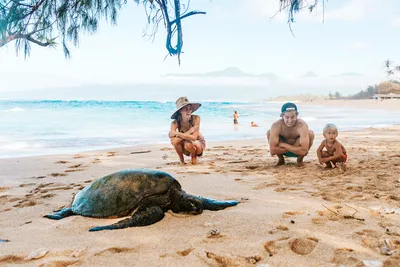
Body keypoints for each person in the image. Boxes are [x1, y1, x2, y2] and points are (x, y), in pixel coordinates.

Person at [266, 102, 315, 166]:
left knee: (310, 133)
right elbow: (272, 151)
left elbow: (304, 151)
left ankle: (300, 160)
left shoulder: (302, 125)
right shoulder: (276, 126)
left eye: (292, 117)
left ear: (297, 115)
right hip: (292, 150)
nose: (290, 120)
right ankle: (281, 159)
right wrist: (294, 149)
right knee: (269, 132)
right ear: (282, 116)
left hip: (288, 149)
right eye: (287, 117)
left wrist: (284, 145)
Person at [169, 97, 206, 165]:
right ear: (180, 111)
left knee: (188, 143)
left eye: (190, 109)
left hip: (198, 144)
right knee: (176, 142)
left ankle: (193, 157)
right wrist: (189, 131)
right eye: (186, 109)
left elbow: (194, 138)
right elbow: (174, 142)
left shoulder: (196, 118)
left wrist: (177, 133)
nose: (189, 111)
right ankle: (182, 160)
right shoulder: (175, 123)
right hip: (185, 146)